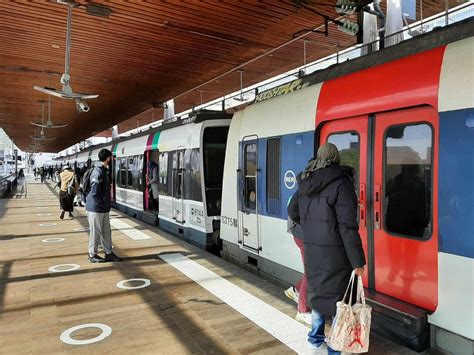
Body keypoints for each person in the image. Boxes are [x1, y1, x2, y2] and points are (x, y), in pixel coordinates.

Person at [288, 143, 366, 354]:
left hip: (313, 249)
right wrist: (358, 262)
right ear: (336, 158)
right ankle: (334, 347)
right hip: (337, 253)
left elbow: (292, 211)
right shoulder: (342, 184)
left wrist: (311, 226)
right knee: (339, 300)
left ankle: (315, 339)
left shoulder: (305, 181)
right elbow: (348, 227)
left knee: (318, 292)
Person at [85, 148, 121, 263]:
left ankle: (108, 252)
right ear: (108, 158)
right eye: (111, 157)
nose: (112, 159)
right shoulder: (98, 172)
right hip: (96, 208)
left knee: (106, 231)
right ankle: (92, 254)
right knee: (96, 232)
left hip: (103, 208)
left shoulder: (103, 170)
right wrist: (102, 202)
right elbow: (95, 192)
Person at [285, 197, 311, 325]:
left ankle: (296, 290)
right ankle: (302, 311)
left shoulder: (304, 187)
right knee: (311, 273)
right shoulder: (309, 189)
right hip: (304, 236)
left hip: (300, 234)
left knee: (311, 271)